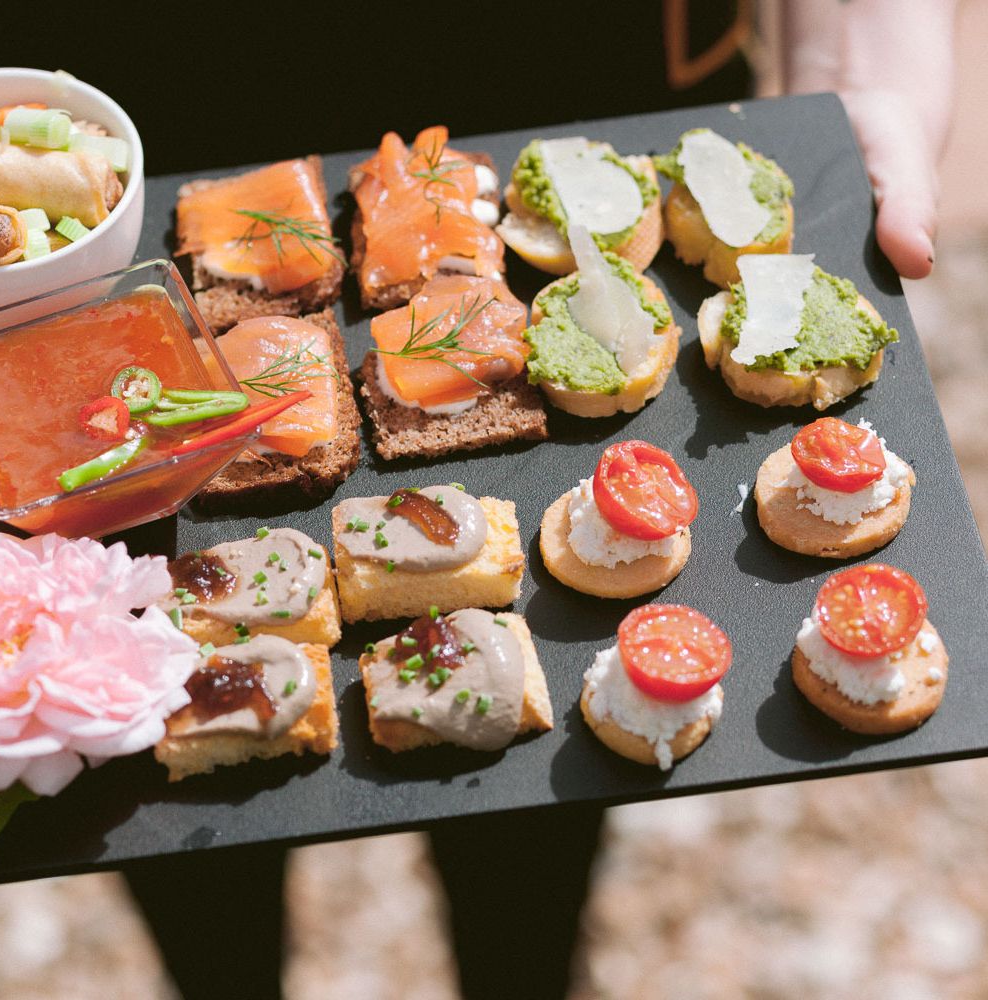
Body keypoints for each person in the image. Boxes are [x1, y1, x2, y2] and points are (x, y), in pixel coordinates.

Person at [117, 2, 958, 998]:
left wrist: (861, 63)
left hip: (559, 62)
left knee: (532, 822)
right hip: (137, 106)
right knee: (172, 810)